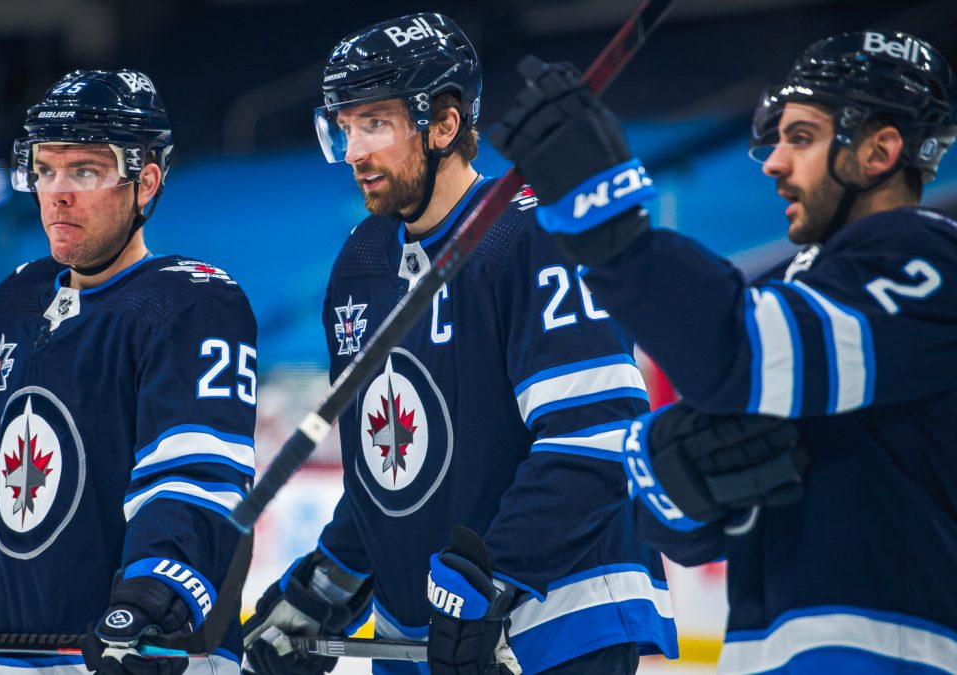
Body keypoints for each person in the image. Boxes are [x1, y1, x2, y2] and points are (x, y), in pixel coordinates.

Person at [490, 30, 957, 672]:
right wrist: (677, 480)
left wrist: (607, 217)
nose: (773, 163)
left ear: (880, 150)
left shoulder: (928, 263)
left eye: (801, 138)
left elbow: (736, 351)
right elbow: (695, 532)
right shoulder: (809, 294)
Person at [241, 13, 678, 675]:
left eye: (375, 123)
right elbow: (389, 478)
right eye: (345, 127)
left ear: (445, 125)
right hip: (424, 641)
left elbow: (595, 439)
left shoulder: (534, 235)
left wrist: (491, 577)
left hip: (552, 629)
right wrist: (324, 586)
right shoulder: (361, 262)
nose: (354, 150)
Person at [0, 69, 257, 675]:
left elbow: (197, 477)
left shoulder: (191, 303)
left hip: (146, 654)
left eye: (85, 171)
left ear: (145, 182)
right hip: (16, 655)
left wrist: (157, 594)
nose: (57, 193)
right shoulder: (11, 303)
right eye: (45, 170)